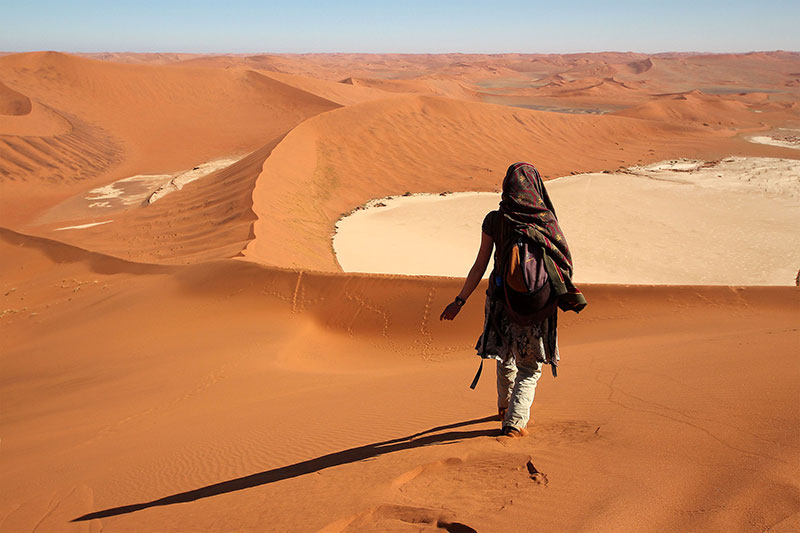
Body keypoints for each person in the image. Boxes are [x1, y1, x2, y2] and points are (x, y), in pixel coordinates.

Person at [440, 162, 586, 437]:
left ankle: (505, 408)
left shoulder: (494, 220)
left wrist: (459, 301)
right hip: (537, 305)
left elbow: (480, 265)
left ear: (507, 186)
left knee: (504, 355)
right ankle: (515, 423)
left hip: (500, 301)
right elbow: (564, 262)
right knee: (529, 368)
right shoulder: (545, 221)